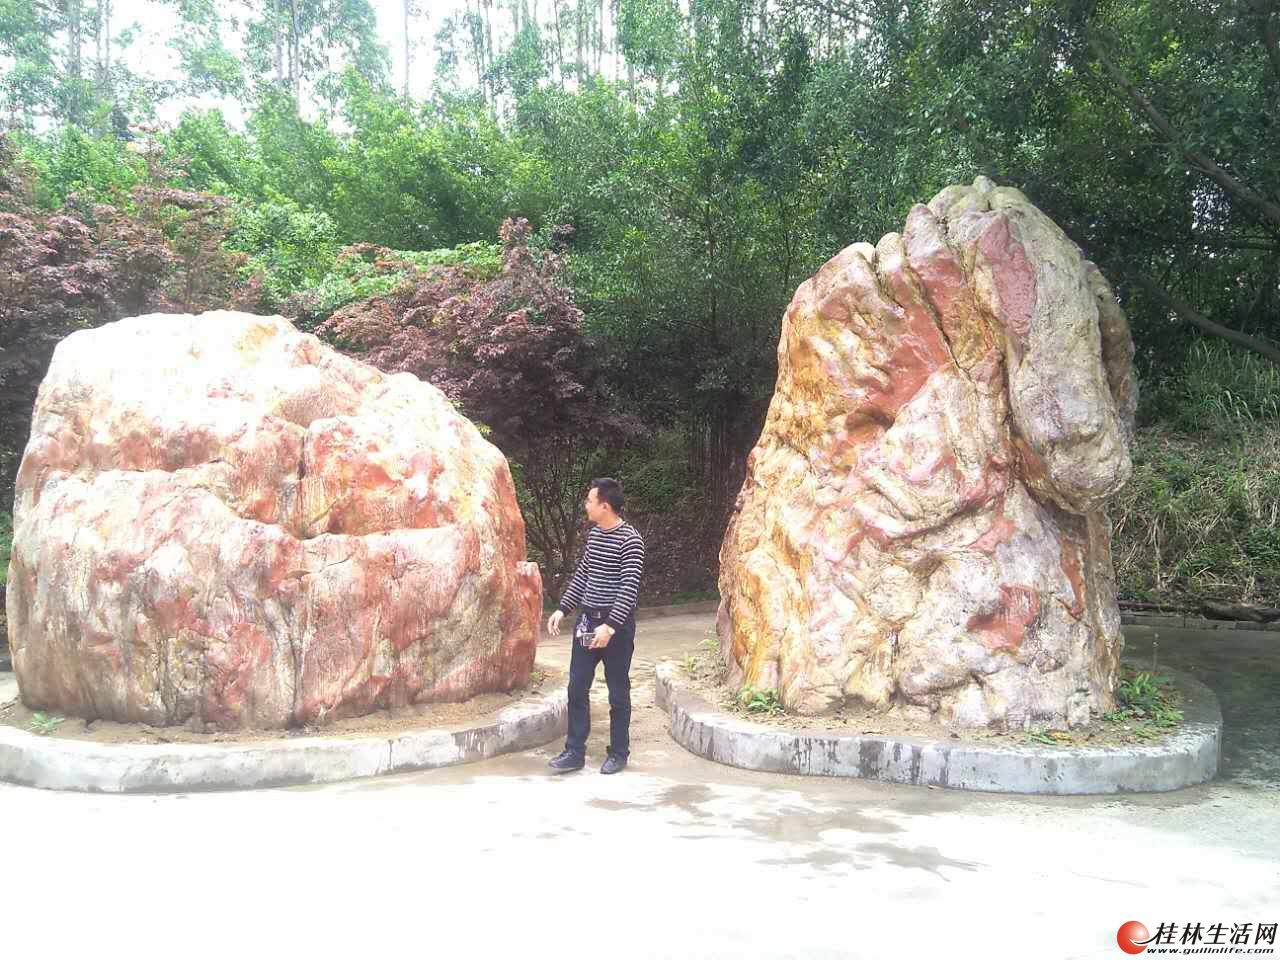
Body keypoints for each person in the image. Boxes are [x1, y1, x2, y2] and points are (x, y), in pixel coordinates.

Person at [546, 477, 646, 774]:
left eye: (590, 501)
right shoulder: (594, 536)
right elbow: (583, 575)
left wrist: (611, 626)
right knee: (577, 686)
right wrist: (563, 609)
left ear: (605, 506)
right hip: (588, 622)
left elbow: (628, 588)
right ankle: (574, 751)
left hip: (616, 629)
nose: (586, 505)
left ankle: (619, 753)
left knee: (618, 691)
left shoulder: (631, 541)